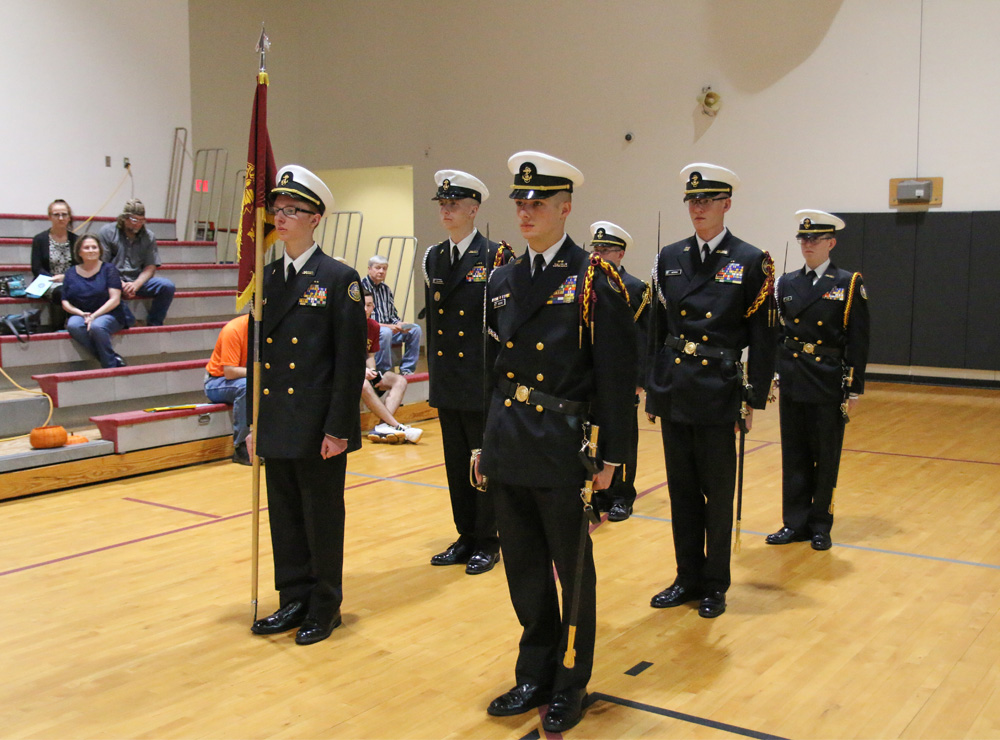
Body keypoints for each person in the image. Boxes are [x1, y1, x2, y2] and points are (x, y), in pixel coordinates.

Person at [479, 152, 636, 733]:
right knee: (522, 567)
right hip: (509, 441)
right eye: (520, 202)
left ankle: (571, 680)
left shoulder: (594, 277)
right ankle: (534, 672)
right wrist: (483, 443)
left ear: (566, 208)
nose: (526, 212)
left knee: (571, 571)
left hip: (561, 444)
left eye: (538, 203)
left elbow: (616, 378)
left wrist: (612, 457)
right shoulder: (502, 278)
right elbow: (492, 370)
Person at [646, 163, 777, 619]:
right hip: (676, 387)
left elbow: (763, 336)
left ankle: (715, 584)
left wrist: (753, 397)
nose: (698, 208)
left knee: (717, 495)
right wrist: (653, 387)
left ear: (727, 204)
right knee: (682, 492)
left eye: (707, 200)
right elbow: (657, 329)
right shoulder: (670, 256)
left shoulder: (750, 260)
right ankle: (686, 576)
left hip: (718, 389)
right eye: (692, 200)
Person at [246, 165, 367, 646]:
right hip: (277, 419)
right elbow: (258, 359)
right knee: (285, 515)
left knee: (321, 517)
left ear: (315, 219)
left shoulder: (339, 278)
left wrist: (339, 428)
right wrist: (252, 423)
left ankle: (324, 604)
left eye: (292, 210)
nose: (280, 217)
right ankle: (293, 597)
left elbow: (349, 362)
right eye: (277, 209)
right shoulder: (267, 277)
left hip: (318, 424)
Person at [423, 169, 513, 574]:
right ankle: (465, 534)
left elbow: (505, 325)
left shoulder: (495, 256)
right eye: (443, 204)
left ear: (474, 209)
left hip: (481, 378)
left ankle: (488, 538)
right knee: (456, 463)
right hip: (448, 379)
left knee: (483, 461)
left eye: (454, 204)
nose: (446, 210)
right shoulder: (433, 257)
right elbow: (434, 324)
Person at [765, 210, 869, 551]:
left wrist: (853, 386)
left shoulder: (847, 283)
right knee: (794, 454)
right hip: (794, 376)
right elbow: (778, 333)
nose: (808, 244)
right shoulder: (786, 283)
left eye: (815, 239)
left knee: (825, 455)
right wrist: (776, 371)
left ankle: (821, 524)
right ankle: (794, 523)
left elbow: (858, 338)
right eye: (803, 239)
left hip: (827, 379)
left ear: (831, 243)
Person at [588, 220, 651, 522]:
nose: (598, 255)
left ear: (620, 253)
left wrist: (639, 380)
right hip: (592, 376)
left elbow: (643, 338)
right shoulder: (587, 284)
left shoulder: (634, 288)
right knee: (592, 432)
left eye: (605, 250)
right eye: (596, 249)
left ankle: (622, 496)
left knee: (621, 435)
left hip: (622, 378)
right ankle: (597, 490)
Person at [98, 199, 175, 326]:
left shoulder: (148, 236)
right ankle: (130, 321)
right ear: (124, 218)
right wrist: (120, 283)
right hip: (114, 280)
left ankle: (155, 323)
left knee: (167, 286)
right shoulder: (107, 232)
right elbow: (102, 265)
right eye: (134, 220)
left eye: (142, 220)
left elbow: (150, 266)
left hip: (137, 279)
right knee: (100, 286)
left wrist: (136, 285)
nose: (138, 224)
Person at [362, 287, 422, 444]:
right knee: (363, 384)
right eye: (363, 305)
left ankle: (383, 426)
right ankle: (396, 425)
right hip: (348, 371)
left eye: (369, 305)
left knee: (399, 380)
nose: (366, 309)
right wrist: (361, 371)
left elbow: (370, 356)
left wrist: (372, 371)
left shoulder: (373, 326)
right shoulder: (345, 325)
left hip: (365, 370)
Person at [61, 234, 128, 368]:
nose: (91, 250)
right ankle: (111, 358)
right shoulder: (70, 273)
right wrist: (81, 313)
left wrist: (94, 316)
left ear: (100, 250)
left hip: (109, 313)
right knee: (73, 326)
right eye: (87, 248)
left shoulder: (109, 269)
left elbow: (115, 299)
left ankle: (110, 367)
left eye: (94, 247)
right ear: (79, 252)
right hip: (82, 314)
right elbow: (65, 302)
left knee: (97, 327)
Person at [361, 254, 422, 375]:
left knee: (415, 329)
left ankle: (407, 370)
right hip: (370, 331)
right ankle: (383, 372)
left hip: (389, 328)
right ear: (369, 269)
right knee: (386, 332)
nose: (381, 271)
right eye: (377, 268)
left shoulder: (386, 289)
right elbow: (364, 319)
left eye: (384, 268)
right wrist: (388, 327)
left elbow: (392, 315)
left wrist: (399, 324)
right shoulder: (360, 288)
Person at [204, 313, 251, 465]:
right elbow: (230, 372)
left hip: (244, 378)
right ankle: (241, 446)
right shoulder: (234, 329)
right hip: (216, 382)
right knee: (246, 387)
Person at [31, 199, 78, 326]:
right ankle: (58, 327)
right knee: (61, 291)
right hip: (47, 281)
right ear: (49, 217)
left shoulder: (76, 240)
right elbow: (36, 268)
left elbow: (80, 267)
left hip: (70, 280)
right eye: (56, 214)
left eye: (64, 214)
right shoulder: (40, 239)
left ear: (69, 217)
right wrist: (54, 279)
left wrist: (66, 277)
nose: (61, 218)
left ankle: (77, 324)